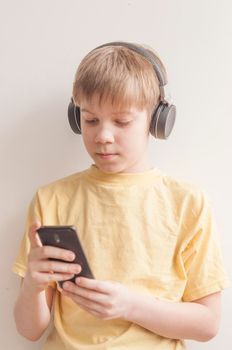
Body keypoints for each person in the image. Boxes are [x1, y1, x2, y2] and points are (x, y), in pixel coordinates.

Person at [13, 41, 230, 350]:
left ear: (157, 121)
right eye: (90, 120)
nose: (103, 135)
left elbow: (208, 324)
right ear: (77, 119)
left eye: (122, 121)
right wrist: (32, 288)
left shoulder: (188, 203)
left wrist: (130, 306)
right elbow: (29, 330)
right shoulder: (52, 200)